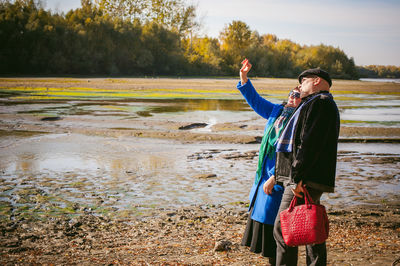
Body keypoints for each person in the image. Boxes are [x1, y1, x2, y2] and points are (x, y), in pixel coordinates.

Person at [273, 68, 340, 266]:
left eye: (303, 81)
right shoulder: (315, 103)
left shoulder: (321, 104)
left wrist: (296, 176)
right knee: (312, 227)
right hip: (308, 177)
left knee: (282, 227)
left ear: (317, 80)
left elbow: (310, 142)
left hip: (305, 178)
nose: (300, 85)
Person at [237, 59, 301, 265]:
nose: (293, 97)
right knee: (264, 221)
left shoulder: (300, 120)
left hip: (281, 178)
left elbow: (295, 154)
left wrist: (275, 177)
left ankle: (277, 261)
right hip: (263, 175)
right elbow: (255, 100)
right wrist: (244, 78)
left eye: (298, 95)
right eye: (291, 93)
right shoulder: (277, 111)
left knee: (277, 224)